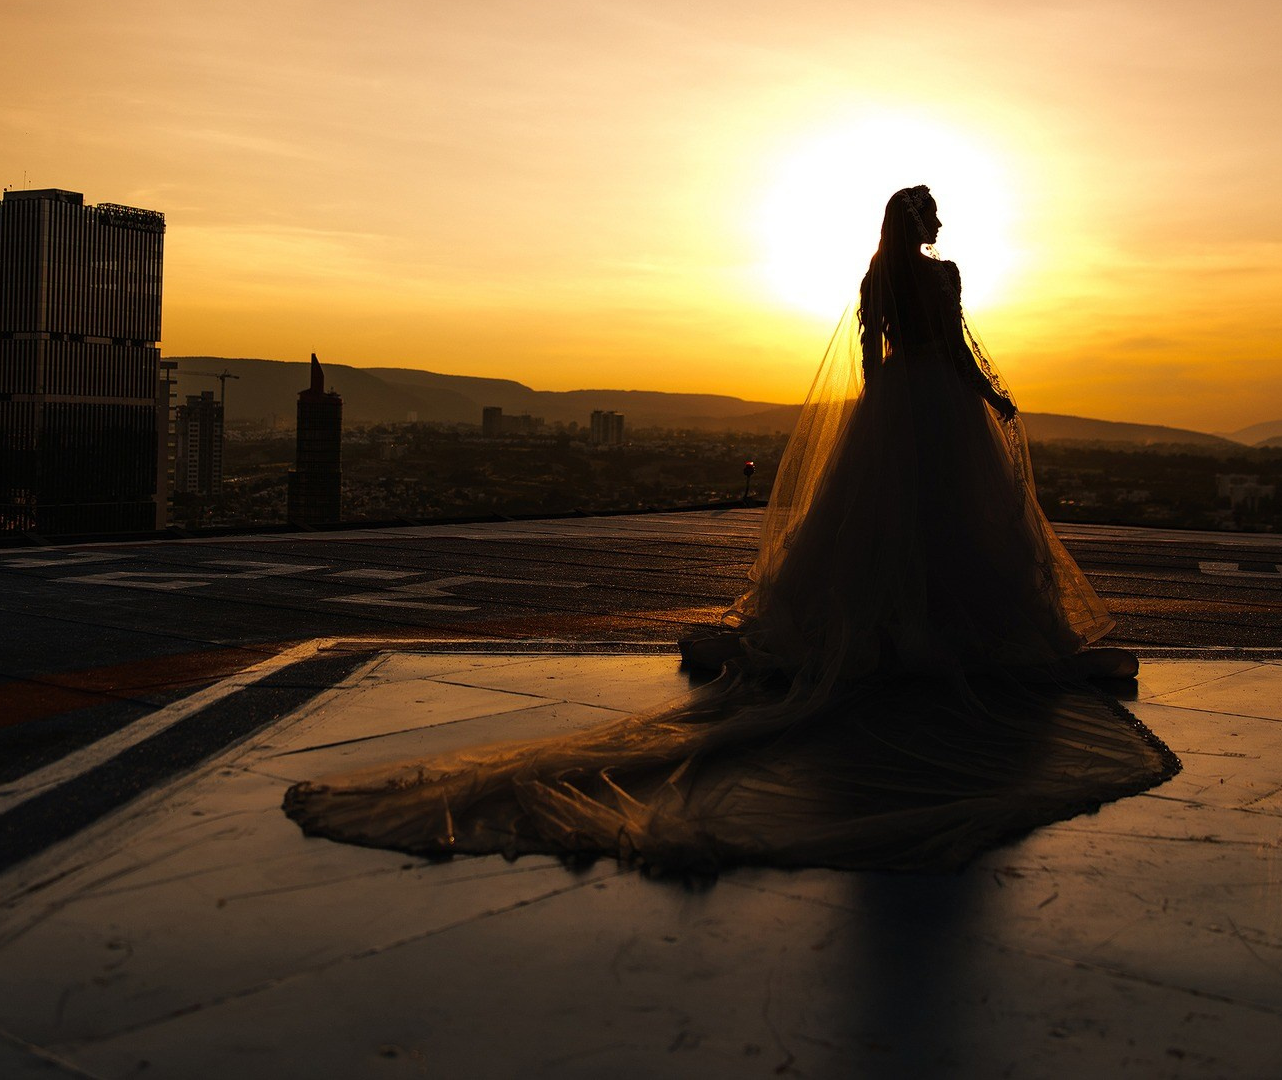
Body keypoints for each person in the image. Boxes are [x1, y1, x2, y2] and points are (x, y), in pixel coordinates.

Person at [285, 185, 1173, 875]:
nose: (941, 221)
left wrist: (882, 422)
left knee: (876, 536)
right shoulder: (938, 280)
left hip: (897, 407)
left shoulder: (880, 279)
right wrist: (989, 401)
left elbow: (870, 360)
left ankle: (883, 625)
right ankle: (955, 629)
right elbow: (964, 349)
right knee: (959, 526)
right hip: (937, 405)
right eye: (932, 210)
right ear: (917, 221)